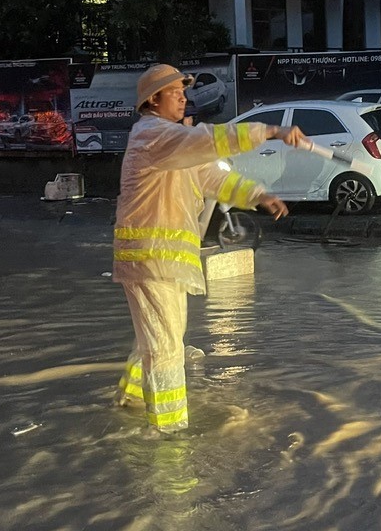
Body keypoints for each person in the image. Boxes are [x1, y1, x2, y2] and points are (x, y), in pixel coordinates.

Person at [112, 63, 307, 433]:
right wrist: (272, 130)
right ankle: (168, 435)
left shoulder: (169, 141)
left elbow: (212, 176)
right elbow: (212, 140)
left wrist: (258, 194)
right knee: (166, 346)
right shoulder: (153, 135)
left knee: (157, 336)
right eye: (175, 92)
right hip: (151, 259)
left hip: (159, 260)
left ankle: (130, 401)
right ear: (153, 100)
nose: (184, 97)